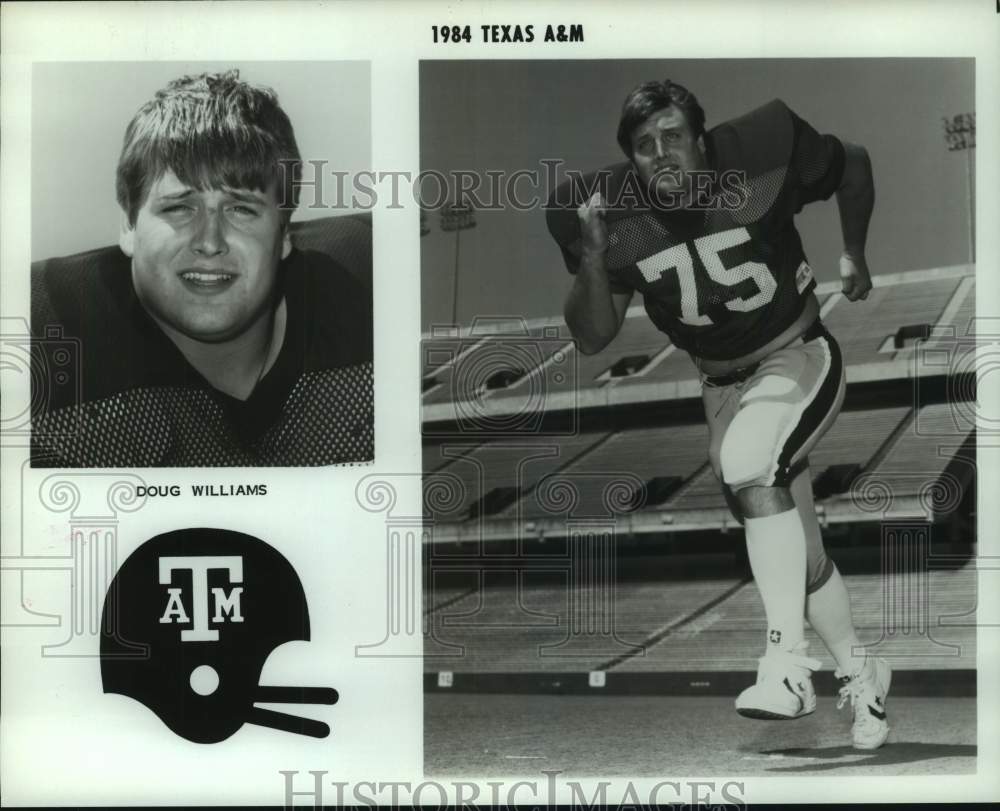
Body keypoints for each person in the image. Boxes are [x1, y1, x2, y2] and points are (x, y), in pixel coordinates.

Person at [546, 79, 890, 749]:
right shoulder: (611, 217)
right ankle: (863, 672)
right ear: (630, 160)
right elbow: (591, 336)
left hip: (797, 353)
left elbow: (857, 163)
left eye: (675, 136)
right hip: (721, 387)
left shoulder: (761, 156)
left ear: (703, 141)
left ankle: (786, 664)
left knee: (747, 462)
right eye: (645, 146)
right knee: (803, 556)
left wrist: (856, 249)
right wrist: (589, 256)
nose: (662, 153)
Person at [31, 70, 373, 467]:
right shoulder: (38, 340)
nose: (210, 241)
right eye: (179, 208)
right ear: (128, 224)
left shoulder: (370, 293)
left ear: (283, 233)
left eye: (241, 209)